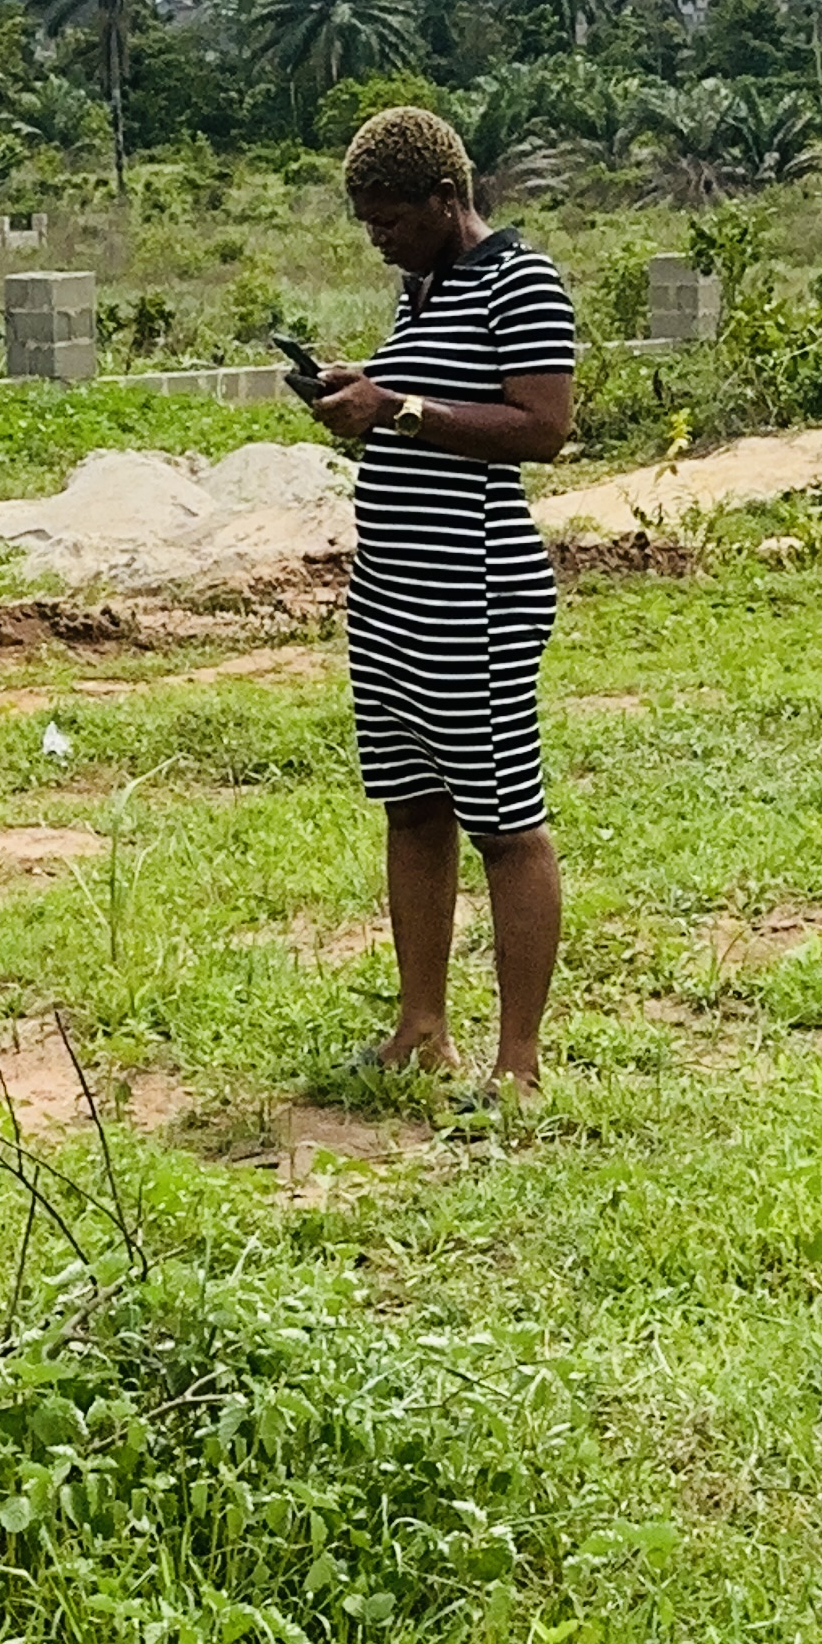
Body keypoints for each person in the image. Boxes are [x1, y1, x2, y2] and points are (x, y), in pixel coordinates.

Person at [305, 105, 578, 1096]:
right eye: (366, 225)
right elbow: (426, 406)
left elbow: (540, 426)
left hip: (475, 592)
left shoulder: (521, 281)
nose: (377, 242)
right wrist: (362, 394)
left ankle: (516, 1061)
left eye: (389, 221)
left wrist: (399, 410)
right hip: (391, 594)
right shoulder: (421, 291)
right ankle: (420, 1026)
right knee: (412, 810)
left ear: (444, 199)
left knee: (502, 820)